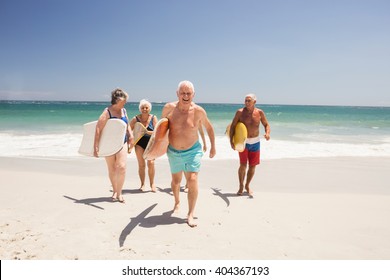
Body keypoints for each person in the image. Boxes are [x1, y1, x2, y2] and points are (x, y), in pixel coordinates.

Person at [162, 80, 216, 227]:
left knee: (192, 179)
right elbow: (161, 130)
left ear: (193, 94)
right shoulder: (168, 109)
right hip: (173, 151)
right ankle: (177, 202)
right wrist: (156, 148)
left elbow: (209, 128)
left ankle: (190, 213)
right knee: (176, 181)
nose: (185, 96)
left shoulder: (199, 111)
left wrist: (212, 147)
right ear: (177, 94)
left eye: (188, 93)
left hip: (193, 151)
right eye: (182, 93)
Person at [94, 88, 134, 203]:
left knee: (121, 167)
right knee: (112, 168)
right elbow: (98, 128)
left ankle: (120, 192)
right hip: (109, 143)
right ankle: (115, 191)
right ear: (117, 100)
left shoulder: (124, 111)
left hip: (122, 142)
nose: (125, 103)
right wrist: (96, 146)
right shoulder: (107, 112)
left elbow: (127, 125)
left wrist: (131, 135)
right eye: (123, 101)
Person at [229, 93, 270, 197]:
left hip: (255, 142)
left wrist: (267, 133)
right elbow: (233, 126)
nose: (246, 102)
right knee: (243, 165)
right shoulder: (240, 112)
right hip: (243, 142)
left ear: (254, 102)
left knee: (252, 166)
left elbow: (266, 124)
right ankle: (241, 186)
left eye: (249, 101)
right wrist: (231, 141)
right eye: (245, 100)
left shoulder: (259, 112)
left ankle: (247, 185)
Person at [129, 99, 158, 192]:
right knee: (141, 165)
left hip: (151, 144)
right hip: (139, 144)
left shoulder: (153, 118)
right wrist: (129, 143)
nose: (144, 109)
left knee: (151, 163)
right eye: (142, 108)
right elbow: (128, 131)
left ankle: (152, 184)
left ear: (150, 108)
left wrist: (146, 132)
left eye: (146, 107)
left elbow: (158, 132)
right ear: (140, 109)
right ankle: (142, 185)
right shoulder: (135, 119)